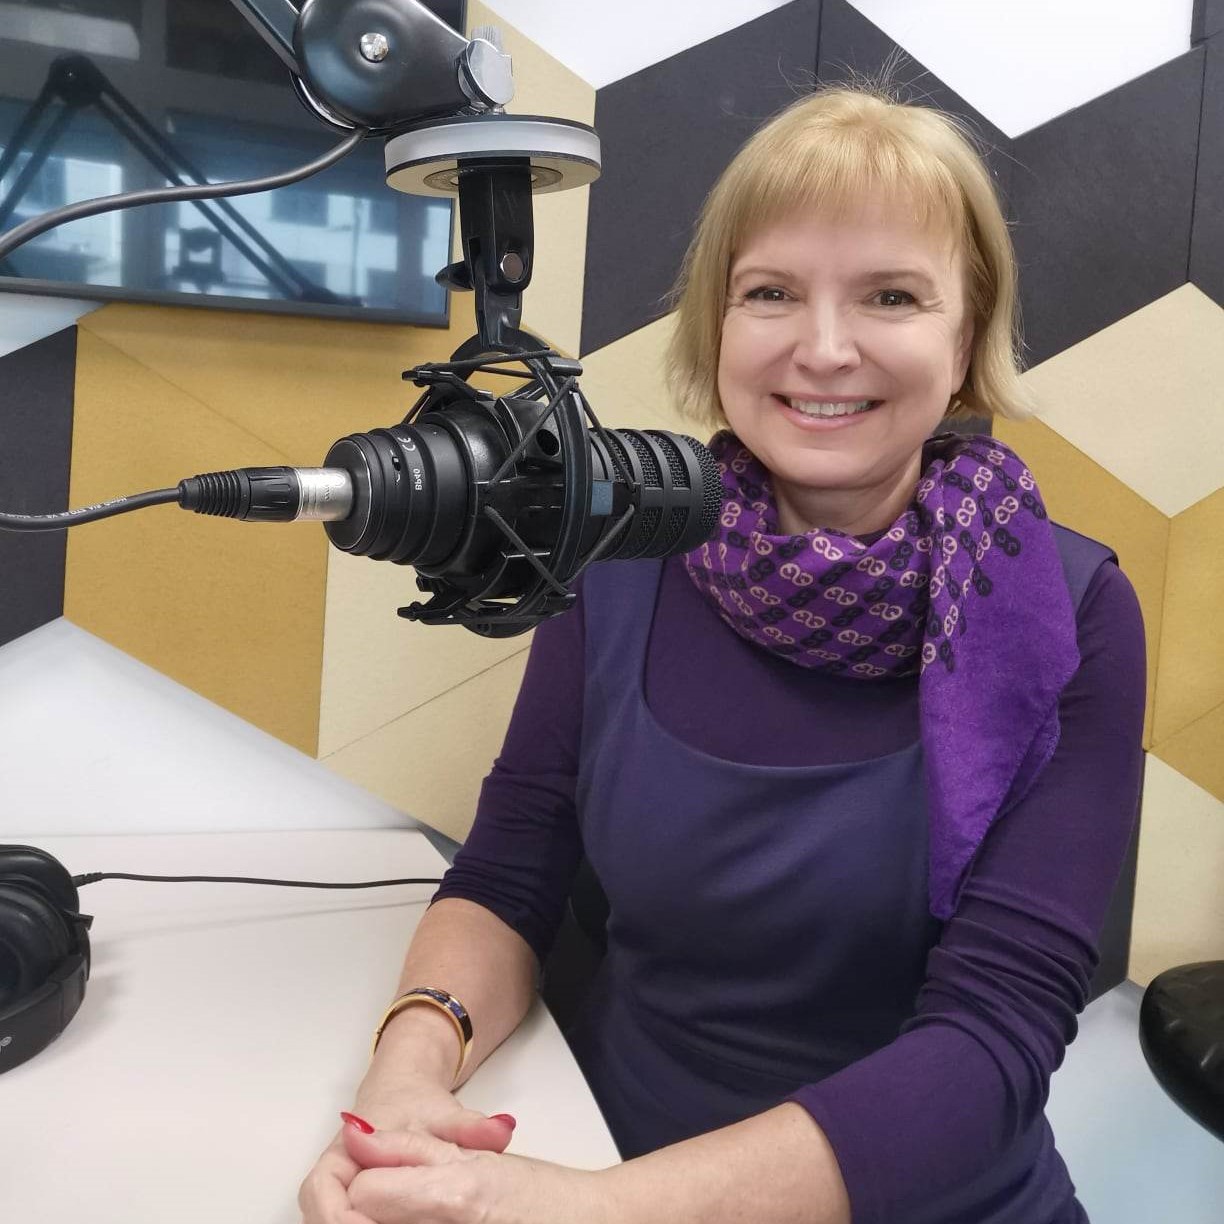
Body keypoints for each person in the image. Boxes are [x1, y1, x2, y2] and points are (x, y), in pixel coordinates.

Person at [297, 80, 1147, 1224]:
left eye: (892, 296)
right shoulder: (618, 552)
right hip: (585, 1148)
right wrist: (405, 1083)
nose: (825, 348)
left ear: (964, 336)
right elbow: (509, 874)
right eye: (771, 293)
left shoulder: (1072, 608)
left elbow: (994, 1041)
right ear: (718, 325)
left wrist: (593, 1211)